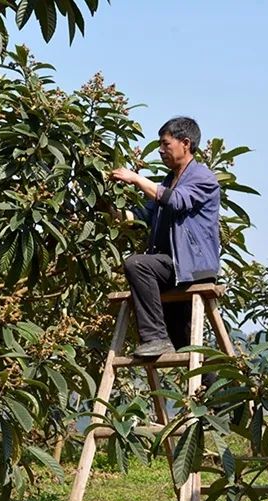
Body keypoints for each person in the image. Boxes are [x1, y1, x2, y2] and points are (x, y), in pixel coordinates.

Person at [110, 117, 220, 357]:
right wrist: (106, 208)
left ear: (186, 143)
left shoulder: (202, 177)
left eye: (165, 144)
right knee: (183, 341)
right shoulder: (167, 182)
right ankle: (217, 389)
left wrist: (137, 179)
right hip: (172, 268)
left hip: (192, 267)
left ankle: (155, 338)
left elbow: (177, 201)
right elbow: (138, 218)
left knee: (137, 264)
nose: (161, 150)